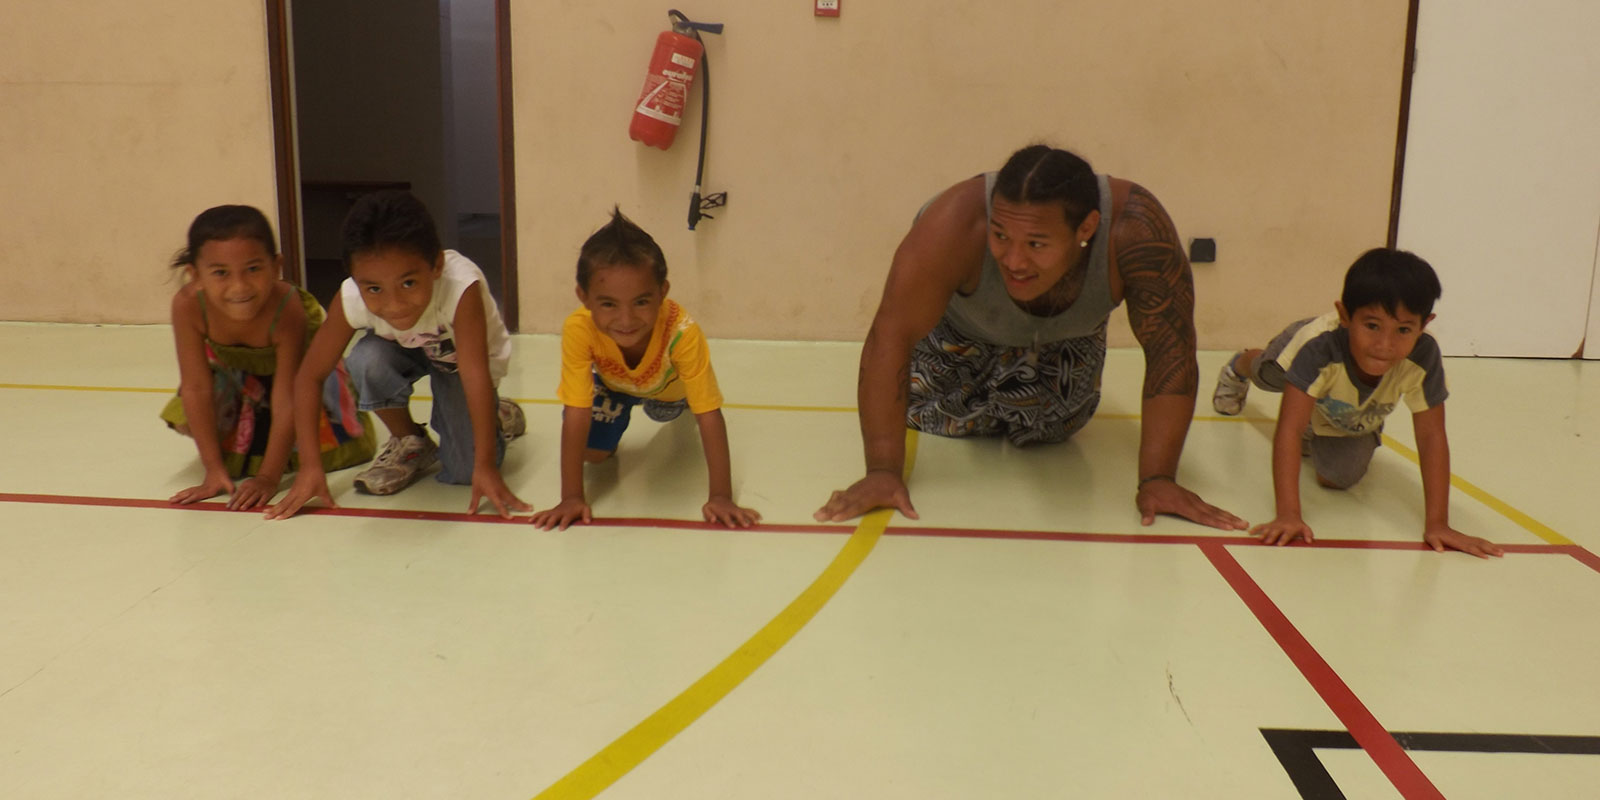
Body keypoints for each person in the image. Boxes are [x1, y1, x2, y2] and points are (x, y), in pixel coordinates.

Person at [815, 144, 1246, 529]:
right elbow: (891, 333)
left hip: (1066, 343)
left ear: (1087, 228)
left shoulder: (1136, 231)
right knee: (937, 415)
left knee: (1050, 429)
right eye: (1000, 236)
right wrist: (883, 469)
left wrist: (1159, 478)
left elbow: (1170, 348)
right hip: (958, 335)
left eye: (1037, 244)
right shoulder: (953, 222)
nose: (1014, 260)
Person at [1211, 248, 1502, 557]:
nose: (1384, 345)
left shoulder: (1424, 357)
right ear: (1345, 315)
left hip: (1344, 405)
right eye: (1372, 325)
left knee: (1338, 477)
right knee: (1269, 376)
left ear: (1424, 324)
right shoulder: (1317, 347)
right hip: (1299, 359)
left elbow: (1431, 436)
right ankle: (1241, 364)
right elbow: (1289, 429)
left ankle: (1317, 416)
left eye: (1403, 329)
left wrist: (1438, 523)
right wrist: (1289, 515)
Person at [264, 190, 529, 519]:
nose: (393, 304)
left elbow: (474, 375)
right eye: (374, 288)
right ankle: (411, 440)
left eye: (407, 283)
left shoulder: (461, 289)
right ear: (356, 280)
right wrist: (309, 468)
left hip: (461, 364)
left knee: (464, 472)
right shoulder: (352, 298)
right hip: (406, 348)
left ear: (436, 265)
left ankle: (496, 414)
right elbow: (310, 376)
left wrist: (486, 465)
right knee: (365, 361)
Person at [530, 208, 760, 530]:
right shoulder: (578, 329)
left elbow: (709, 412)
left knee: (662, 413)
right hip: (613, 385)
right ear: (583, 297)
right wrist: (571, 496)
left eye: (641, 302)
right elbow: (577, 410)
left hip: (666, 392)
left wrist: (720, 495)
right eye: (608, 304)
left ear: (663, 292)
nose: (626, 320)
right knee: (593, 455)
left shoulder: (683, 333)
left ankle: (677, 408)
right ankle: (620, 411)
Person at [162, 205, 375, 509]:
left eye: (253, 269)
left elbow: (289, 394)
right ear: (195, 275)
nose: (239, 287)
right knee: (185, 413)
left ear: (276, 267)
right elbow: (196, 386)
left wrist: (268, 477)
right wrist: (213, 470)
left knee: (315, 442)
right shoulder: (187, 305)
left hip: (301, 382)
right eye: (220, 273)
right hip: (241, 380)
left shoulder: (286, 308)